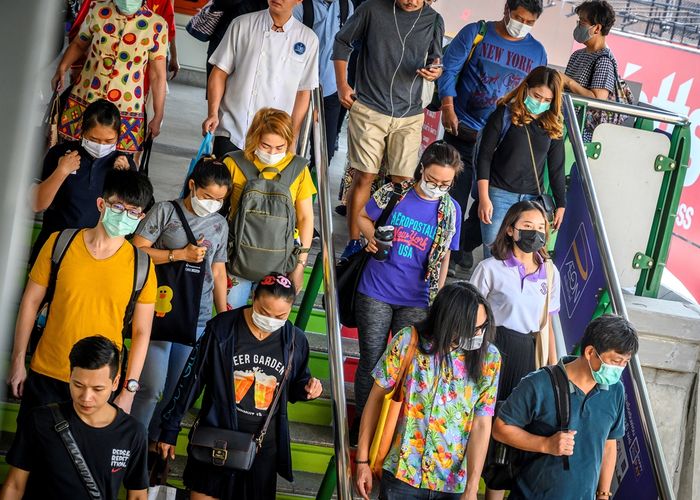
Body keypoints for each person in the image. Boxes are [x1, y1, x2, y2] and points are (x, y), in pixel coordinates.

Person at [157, 273, 323, 500]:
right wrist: (170, 427)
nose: (271, 320)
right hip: (217, 435)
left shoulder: (295, 340)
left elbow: (294, 387)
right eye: (265, 312)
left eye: (281, 315)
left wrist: (308, 389)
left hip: (262, 447)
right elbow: (192, 379)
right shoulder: (222, 329)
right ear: (253, 297)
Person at [8, 169, 157, 420]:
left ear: (140, 217)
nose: (124, 216)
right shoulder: (61, 243)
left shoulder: (142, 266)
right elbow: (30, 302)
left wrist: (129, 390)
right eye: (118, 207)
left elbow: (142, 332)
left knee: (80, 459)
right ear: (101, 204)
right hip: (47, 372)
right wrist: (17, 360)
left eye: (133, 212)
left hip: (99, 385)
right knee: (28, 457)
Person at [352, 141, 462, 440]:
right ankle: (362, 424)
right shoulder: (395, 193)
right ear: (421, 169)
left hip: (417, 298)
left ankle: (386, 430)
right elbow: (363, 215)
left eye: (445, 183)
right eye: (432, 180)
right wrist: (370, 236)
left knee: (403, 366)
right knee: (372, 359)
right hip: (375, 289)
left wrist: (437, 296)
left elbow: (446, 256)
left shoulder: (451, 210)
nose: (437, 187)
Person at [354, 282, 501, 500]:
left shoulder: (489, 358)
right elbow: (375, 399)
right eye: (473, 329)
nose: (479, 335)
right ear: (449, 321)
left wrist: (471, 488)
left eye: (483, 327)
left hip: (452, 485)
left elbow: (482, 421)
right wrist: (362, 460)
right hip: (402, 475)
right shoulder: (408, 341)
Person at [438, 0, 547, 271]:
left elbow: (539, 92)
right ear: (507, 9)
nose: (522, 25)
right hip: (463, 131)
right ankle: (446, 255)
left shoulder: (537, 52)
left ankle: (462, 245)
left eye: (530, 22)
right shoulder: (476, 32)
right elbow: (449, 70)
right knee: (457, 198)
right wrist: (448, 107)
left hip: (502, 142)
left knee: (489, 202)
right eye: (519, 17)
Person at [129, 159, 232, 444]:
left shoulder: (220, 225)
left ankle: (155, 442)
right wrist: (179, 255)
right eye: (208, 196)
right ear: (192, 186)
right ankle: (132, 443)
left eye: (220, 200)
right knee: (150, 387)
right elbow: (136, 250)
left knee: (176, 391)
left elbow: (218, 270)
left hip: (196, 317)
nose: (213, 204)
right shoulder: (164, 211)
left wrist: (223, 316)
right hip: (159, 310)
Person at [333, 0, 444, 261]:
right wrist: (342, 85)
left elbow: (436, 60)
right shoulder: (372, 9)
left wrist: (434, 72)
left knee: (402, 184)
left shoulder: (434, 20)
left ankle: (386, 241)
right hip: (370, 106)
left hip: (410, 113)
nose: (412, 1)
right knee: (365, 176)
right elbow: (342, 42)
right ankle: (353, 241)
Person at [469, 200, 561, 499]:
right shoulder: (490, 268)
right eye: (527, 227)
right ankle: (465, 487)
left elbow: (546, 323)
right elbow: (470, 317)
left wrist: (553, 367)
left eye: (540, 228)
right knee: (479, 418)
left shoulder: (549, 272)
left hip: (527, 354)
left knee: (511, 427)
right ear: (510, 230)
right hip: (491, 349)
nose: (535, 233)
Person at [492, 314, 638, 500]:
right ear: (590, 352)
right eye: (616, 361)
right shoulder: (539, 384)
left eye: (626, 362)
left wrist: (603, 494)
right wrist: (545, 444)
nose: (619, 369)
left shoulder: (615, 390)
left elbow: (609, 445)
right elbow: (500, 428)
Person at [1, 336, 149, 500]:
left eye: (97, 389)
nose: (86, 397)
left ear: (115, 383)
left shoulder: (132, 432)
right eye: (78, 385)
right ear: (70, 376)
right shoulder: (40, 420)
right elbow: (14, 485)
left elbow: (137, 495)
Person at [222, 107, 316, 305]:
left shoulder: (298, 168)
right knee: (230, 317)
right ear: (254, 137)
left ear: (289, 142)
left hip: (281, 263)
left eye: (280, 147)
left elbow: (306, 218)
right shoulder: (233, 163)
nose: (273, 152)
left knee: (268, 323)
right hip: (236, 259)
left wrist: (299, 266)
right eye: (265, 146)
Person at [203, 0, 320, 158]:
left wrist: (292, 136)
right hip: (232, 130)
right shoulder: (242, 24)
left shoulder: (308, 39)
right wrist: (213, 113)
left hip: (275, 141)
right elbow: (219, 72)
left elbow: (303, 92)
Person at [52, 0, 168, 153]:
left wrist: (158, 115)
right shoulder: (98, 11)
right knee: (73, 155)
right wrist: (62, 68)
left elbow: (158, 76)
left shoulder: (157, 25)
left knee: (117, 165)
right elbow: (79, 44)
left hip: (126, 108)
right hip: (87, 99)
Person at [30, 99, 135, 265]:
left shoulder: (124, 164)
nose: (101, 145)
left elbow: (128, 219)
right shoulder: (60, 154)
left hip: (97, 256)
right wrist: (62, 171)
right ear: (82, 131)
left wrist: (125, 178)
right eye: (94, 139)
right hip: (54, 248)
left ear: (118, 137)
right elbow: (37, 204)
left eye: (108, 141)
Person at [476, 66, 566, 256]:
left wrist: (561, 205)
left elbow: (557, 168)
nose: (540, 102)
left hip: (532, 200)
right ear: (526, 88)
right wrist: (484, 197)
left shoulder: (553, 125)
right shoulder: (505, 114)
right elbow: (484, 156)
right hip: (499, 194)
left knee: (524, 255)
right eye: (537, 96)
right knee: (494, 252)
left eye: (547, 100)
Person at [293, 0, 354, 162]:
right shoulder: (299, 5)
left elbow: (347, 45)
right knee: (289, 143)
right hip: (297, 90)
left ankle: (312, 182)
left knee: (324, 152)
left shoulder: (346, 6)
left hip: (330, 88)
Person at [560, 0, 620, 141]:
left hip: (579, 136)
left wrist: (568, 82)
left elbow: (598, 101)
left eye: (582, 22)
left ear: (597, 28)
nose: (578, 25)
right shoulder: (578, 55)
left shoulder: (604, 60)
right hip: (563, 125)